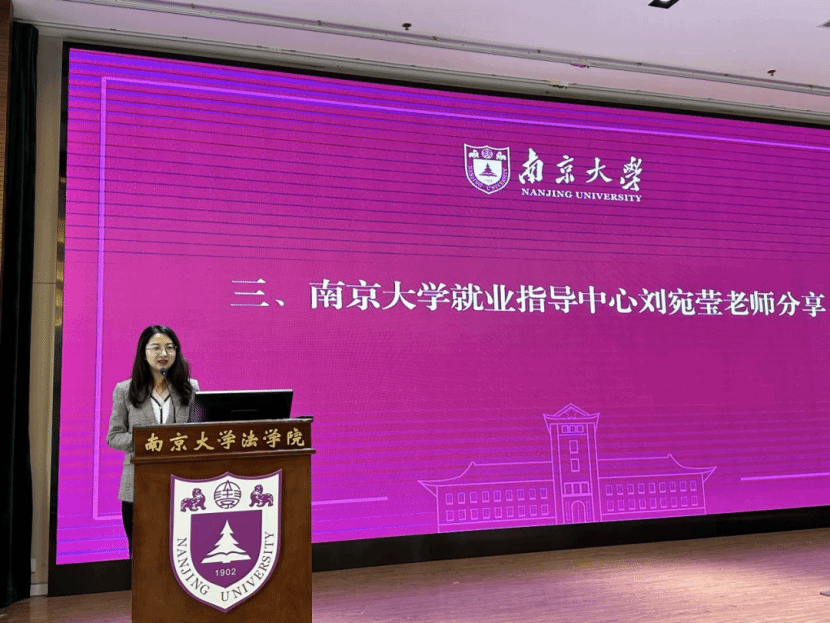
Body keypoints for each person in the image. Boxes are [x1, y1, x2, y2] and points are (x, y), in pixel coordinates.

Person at [106, 325, 199, 555]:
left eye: (169, 348)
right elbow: (114, 436)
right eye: (156, 348)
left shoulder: (190, 388)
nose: (163, 354)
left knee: (177, 552)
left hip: (180, 483)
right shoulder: (125, 390)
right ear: (143, 353)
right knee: (142, 554)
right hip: (138, 485)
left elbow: (198, 434)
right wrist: (146, 441)